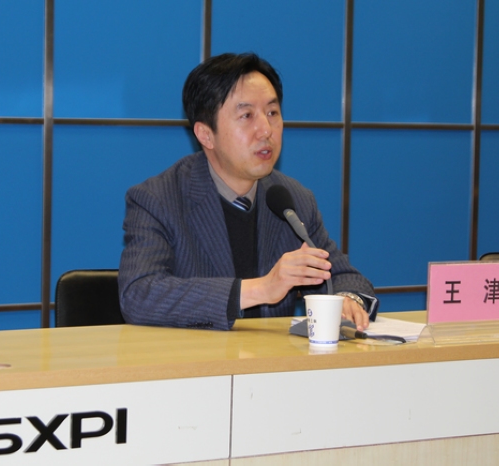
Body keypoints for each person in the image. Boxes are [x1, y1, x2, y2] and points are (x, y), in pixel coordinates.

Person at [119, 52, 377, 331]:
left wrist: (347, 299)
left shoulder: (292, 200)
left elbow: (345, 276)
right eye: (246, 115)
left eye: (272, 113)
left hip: (271, 357)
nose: (266, 130)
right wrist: (261, 289)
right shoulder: (158, 199)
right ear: (206, 134)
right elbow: (139, 295)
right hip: (194, 357)